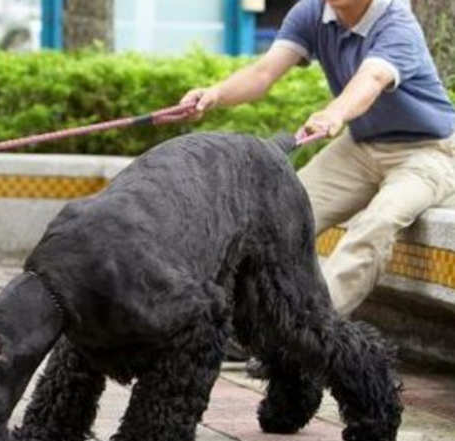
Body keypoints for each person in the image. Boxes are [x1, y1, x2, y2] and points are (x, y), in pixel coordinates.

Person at [181, 0, 455, 361]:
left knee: (378, 221)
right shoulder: (312, 13)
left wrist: (334, 113)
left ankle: (306, 334)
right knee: (281, 212)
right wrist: (214, 94)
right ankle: (245, 326)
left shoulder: (395, 21)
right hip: (359, 146)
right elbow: (264, 72)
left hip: (428, 150)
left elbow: (371, 79)